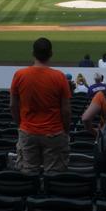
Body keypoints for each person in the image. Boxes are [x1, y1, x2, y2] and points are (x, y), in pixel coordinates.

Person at [10, 37, 71, 173]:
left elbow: (13, 106)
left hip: (28, 132)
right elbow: (66, 110)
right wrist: (65, 131)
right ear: (51, 53)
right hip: (54, 133)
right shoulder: (59, 77)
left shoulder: (19, 75)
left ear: (33, 53)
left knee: (29, 174)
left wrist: (21, 125)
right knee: (54, 175)